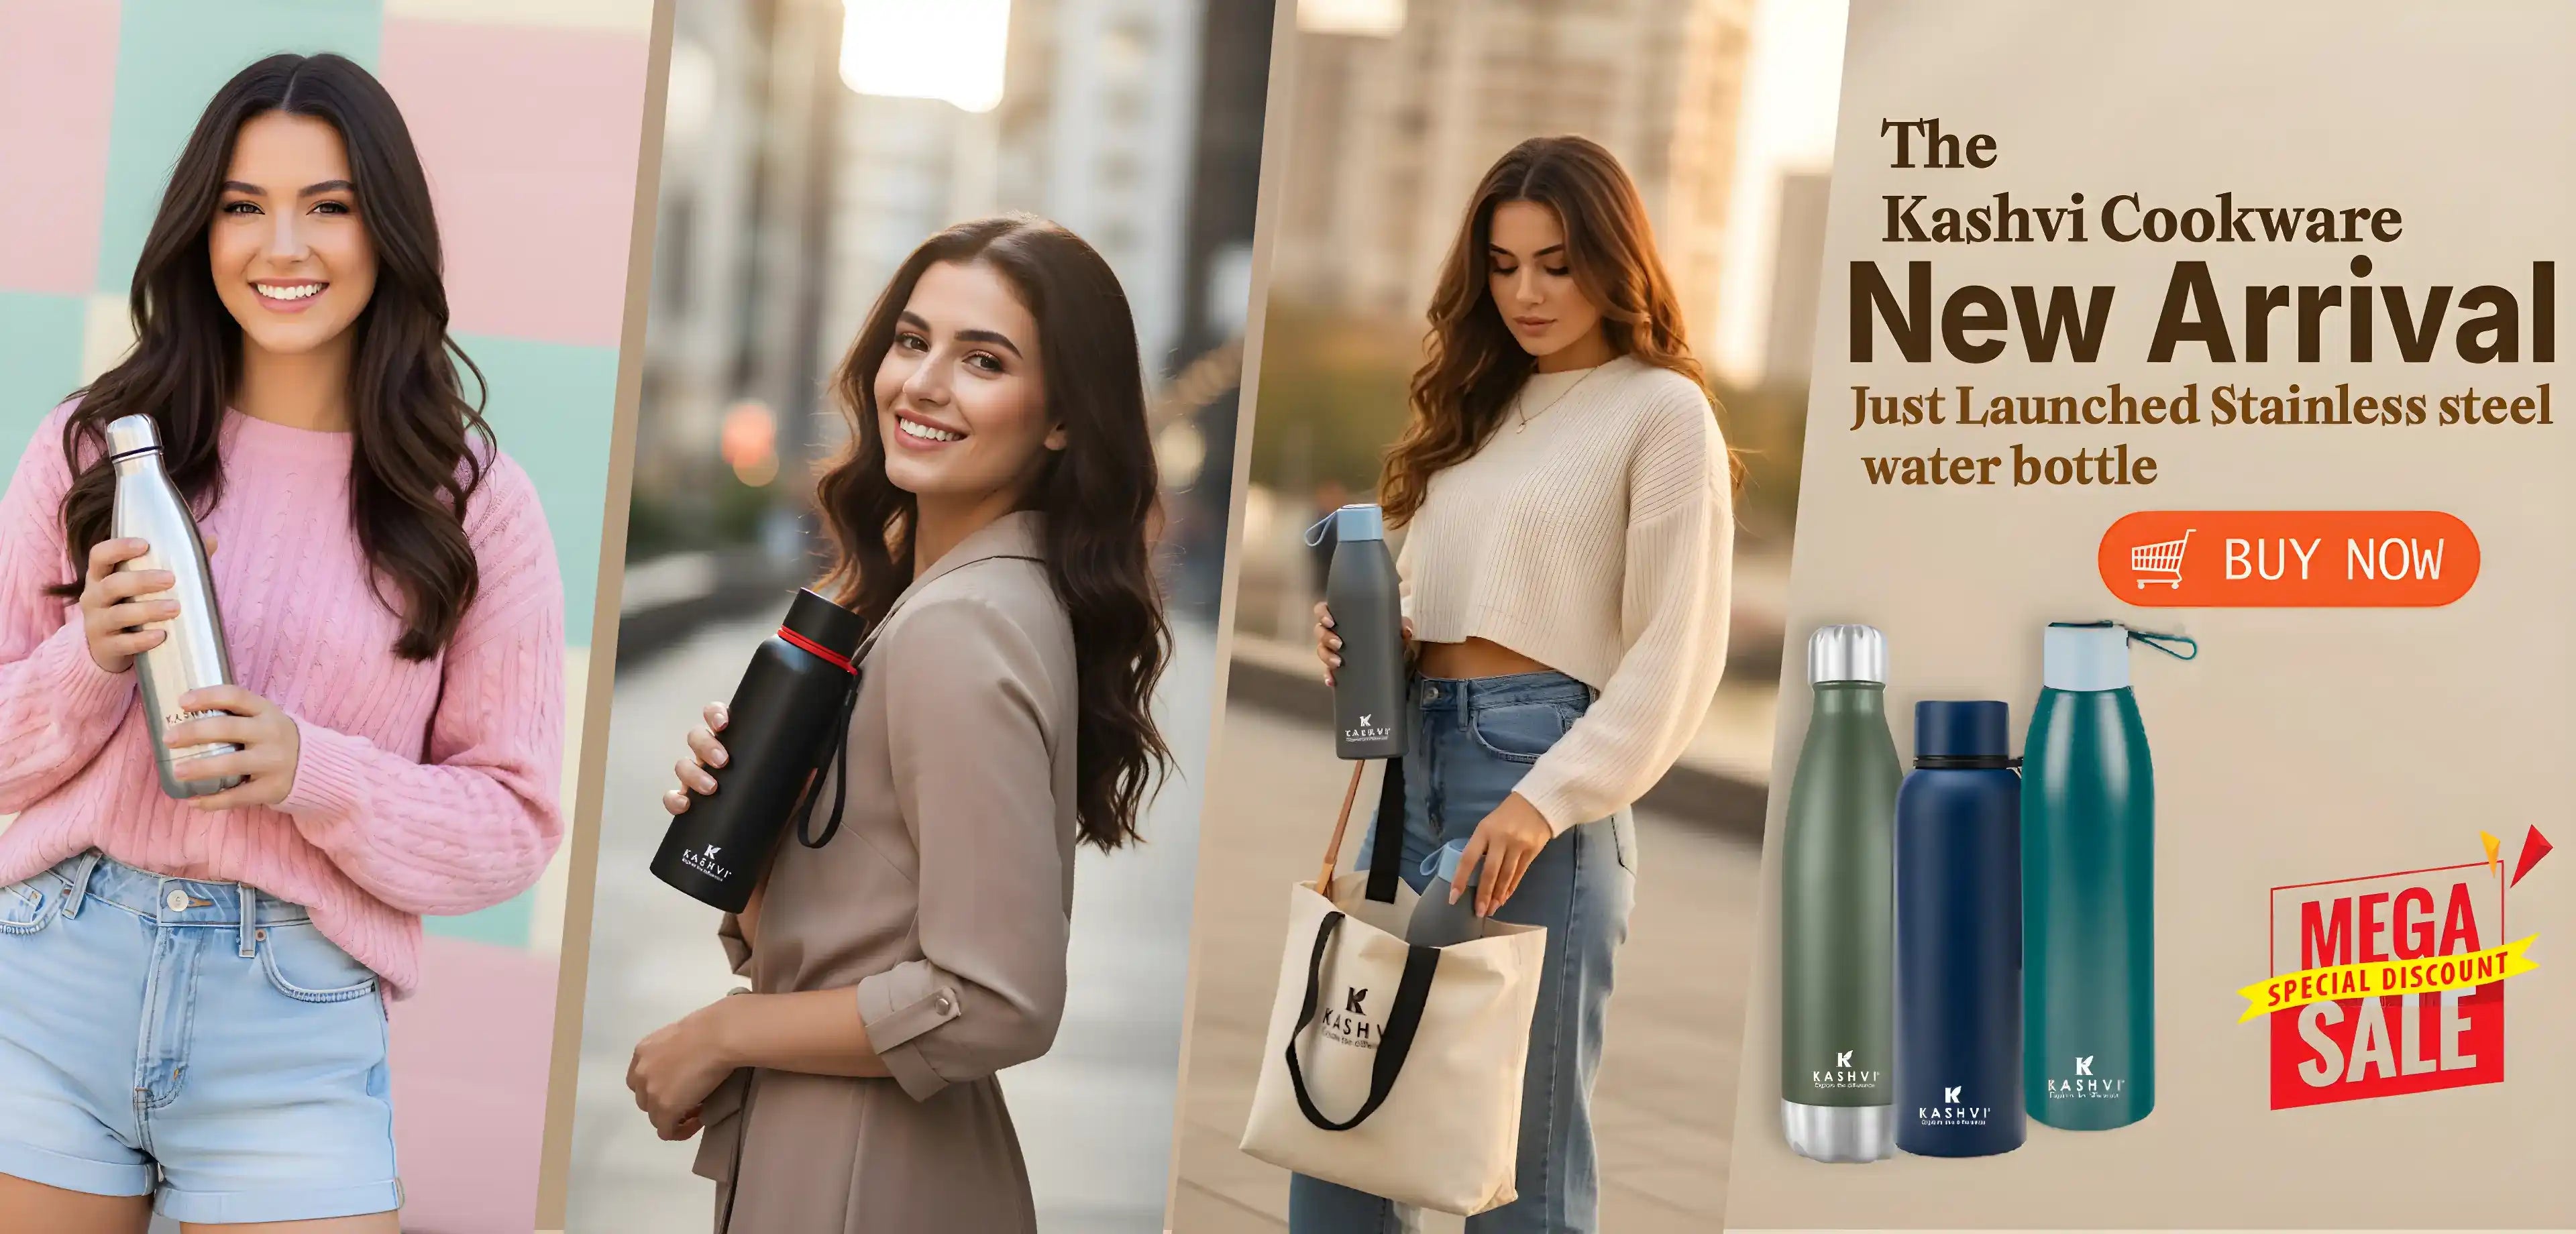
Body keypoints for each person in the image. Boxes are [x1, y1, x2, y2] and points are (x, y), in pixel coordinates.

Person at [0, 54, 566, 1231]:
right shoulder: (95, 449)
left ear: (386, 229)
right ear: (201, 232)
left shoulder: (470, 502)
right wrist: (88, 664)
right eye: (244, 206)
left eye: (330, 206)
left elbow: (511, 827)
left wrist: (313, 773)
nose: (283, 246)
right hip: (51, 982)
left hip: (293, 1019)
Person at [627, 215, 1173, 1233]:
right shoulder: (943, 605)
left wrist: (725, 1034)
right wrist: (759, 830)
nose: (923, 384)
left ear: (1061, 418)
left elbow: (999, 997)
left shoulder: (964, 627)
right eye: (913, 341)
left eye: (984, 360)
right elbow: (848, 939)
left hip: (864, 1174)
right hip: (845, 1149)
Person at [1305, 135, 1735, 1233]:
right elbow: (1433, 596)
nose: (1527, 293)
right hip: (1413, 766)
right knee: (1339, 1122)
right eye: (1502, 265)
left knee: (1518, 1169)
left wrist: (1546, 801)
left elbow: (1678, 645)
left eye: (1556, 262)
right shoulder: (1477, 408)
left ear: (1613, 260)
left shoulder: (1662, 411)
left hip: (1536, 782)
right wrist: (1366, 640)